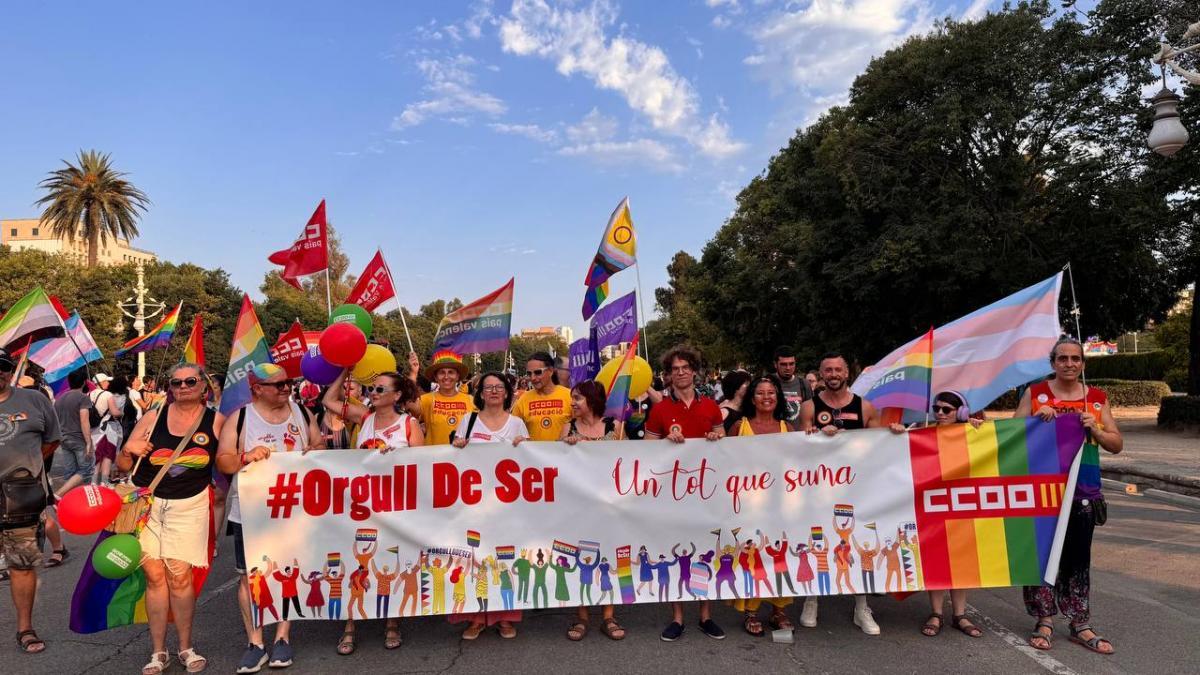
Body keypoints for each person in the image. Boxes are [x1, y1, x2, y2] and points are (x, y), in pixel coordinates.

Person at [1016, 337, 1122, 656]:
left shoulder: (1098, 400)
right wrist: (1034, 420)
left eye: (1075, 359)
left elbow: (1117, 444)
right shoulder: (1034, 395)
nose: (1069, 364)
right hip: (1043, 490)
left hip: (1084, 490)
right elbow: (1009, 437)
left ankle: (1079, 621)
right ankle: (1044, 619)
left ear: (1083, 364)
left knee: (1078, 559)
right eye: (1062, 358)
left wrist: (1098, 430)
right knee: (1043, 556)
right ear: (1053, 363)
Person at [117, 363, 224, 674]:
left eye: (190, 381)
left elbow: (231, 459)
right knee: (154, 578)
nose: (182, 387)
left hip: (189, 506)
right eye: (175, 382)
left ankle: (186, 648)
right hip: (147, 505)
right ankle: (158, 651)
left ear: (204, 387)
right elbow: (124, 464)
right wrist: (128, 448)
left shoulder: (217, 421)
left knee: (179, 577)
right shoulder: (153, 416)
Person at [216, 363, 323, 673]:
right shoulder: (241, 418)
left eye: (287, 382)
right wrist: (244, 457)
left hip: (295, 509)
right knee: (250, 577)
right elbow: (223, 461)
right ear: (257, 389)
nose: (285, 388)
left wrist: (312, 451)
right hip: (251, 511)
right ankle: (255, 642)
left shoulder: (302, 413)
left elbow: (318, 444)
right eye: (277, 385)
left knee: (288, 571)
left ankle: (282, 637)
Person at [322, 367, 423, 654]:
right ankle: (350, 625)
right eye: (371, 389)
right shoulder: (363, 417)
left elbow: (423, 468)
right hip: (360, 506)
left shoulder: (408, 425)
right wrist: (343, 371)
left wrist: (399, 460)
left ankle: (392, 623)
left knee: (389, 562)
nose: (372, 394)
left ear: (397, 395)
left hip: (395, 508)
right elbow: (329, 400)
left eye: (379, 389)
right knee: (357, 562)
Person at [645, 345, 726, 642]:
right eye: (674, 369)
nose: (680, 373)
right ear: (668, 376)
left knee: (705, 550)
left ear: (694, 371)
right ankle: (677, 617)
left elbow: (724, 441)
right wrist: (666, 440)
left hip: (706, 492)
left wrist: (717, 436)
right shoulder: (660, 409)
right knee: (675, 549)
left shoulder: (710, 406)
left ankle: (706, 615)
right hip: (672, 492)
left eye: (685, 367)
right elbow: (647, 451)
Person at [798, 351, 881, 636]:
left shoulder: (866, 407)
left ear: (846, 374)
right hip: (819, 487)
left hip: (855, 488)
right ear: (821, 375)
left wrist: (895, 431)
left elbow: (880, 446)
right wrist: (820, 438)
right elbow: (800, 445)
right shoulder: (810, 407)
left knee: (856, 540)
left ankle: (861, 606)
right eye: (827, 371)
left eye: (837, 370)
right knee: (817, 539)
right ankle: (812, 599)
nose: (833, 375)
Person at [449, 372, 525, 639]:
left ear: (507, 393)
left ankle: (505, 617)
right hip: (474, 503)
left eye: (499, 387)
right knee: (475, 559)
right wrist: (457, 446)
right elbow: (454, 461)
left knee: (504, 558)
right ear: (480, 393)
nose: (493, 391)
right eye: (488, 387)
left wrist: (523, 447)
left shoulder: (516, 424)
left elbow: (528, 462)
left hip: (506, 505)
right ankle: (476, 617)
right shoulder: (467, 421)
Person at [0, 347, 60, 654]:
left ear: (10, 370)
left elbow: (52, 439)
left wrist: (28, 468)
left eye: (2, 366)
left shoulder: (35, 399)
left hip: (22, 500)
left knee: (22, 565)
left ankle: (25, 628)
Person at [559, 380, 626, 641]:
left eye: (577, 398)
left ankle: (608, 615)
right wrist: (566, 446)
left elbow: (633, 461)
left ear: (593, 401)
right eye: (572, 398)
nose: (572, 402)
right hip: (579, 506)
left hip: (611, 504)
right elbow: (556, 465)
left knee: (608, 557)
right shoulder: (568, 427)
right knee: (582, 559)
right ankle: (582, 616)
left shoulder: (615, 428)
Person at [728, 376, 794, 635]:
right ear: (751, 398)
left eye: (771, 393)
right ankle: (751, 611)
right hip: (748, 504)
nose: (766, 397)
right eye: (760, 393)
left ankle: (779, 610)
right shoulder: (739, 426)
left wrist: (817, 438)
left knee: (780, 555)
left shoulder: (788, 426)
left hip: (781, 504)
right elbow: (725, 460)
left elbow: (803, 461)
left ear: (778, 398)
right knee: (753, 556)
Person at [413, 350, 473, 446]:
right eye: (441, 373)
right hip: (434, 459)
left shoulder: (471, 400)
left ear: (457, 376)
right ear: (436, 377)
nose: (446, 376)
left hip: (463, 458)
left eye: (451, 372)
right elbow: (409, 404)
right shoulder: (426, 399)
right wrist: (413, 373)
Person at [511, 352, 572, 441]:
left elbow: (583, 426)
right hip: (533, 454)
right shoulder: (524, 399)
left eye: (538, 372)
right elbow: (512, 429)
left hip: (563, 454)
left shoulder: (569, 396)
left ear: (551, 371)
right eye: (529, 373)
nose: (533, 378)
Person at [51, 368, 93, 496]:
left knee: (70, 471)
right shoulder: (83, 398)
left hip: (64, 438)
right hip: (78, 438)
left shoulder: (60, 399)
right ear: (84, 382)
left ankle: (69, 499)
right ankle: (60, 494)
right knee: (86, 470)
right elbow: (84, 421)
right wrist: (89, 442)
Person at [93, 375, 132, 484]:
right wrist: (122, 413)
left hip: (97, 428)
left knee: (98, 455)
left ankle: (93, 482)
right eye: (106, 381)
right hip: (111, 428)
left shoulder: (92, 394)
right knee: (108, 455)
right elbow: (116, 413)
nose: (108, 383)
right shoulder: (117, 396)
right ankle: (104, 482)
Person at [774, 346, 813, 427]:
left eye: (791, 364)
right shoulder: (767, 383)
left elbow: (811, 413)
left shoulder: (804, 384)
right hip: (774, 436)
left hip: (799, 436)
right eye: (783, 364)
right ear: (775, 364)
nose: (788, 368)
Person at [717, 370, 751, 434]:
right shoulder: (724, 411)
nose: (749, 386)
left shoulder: (746, 408)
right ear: (736, 386)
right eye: (746, 383)